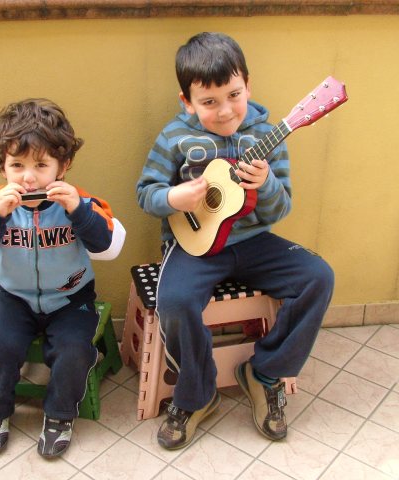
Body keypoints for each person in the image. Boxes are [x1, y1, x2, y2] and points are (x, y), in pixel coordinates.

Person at [136, 32, 334, 450]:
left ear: (248, 86)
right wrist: (175, 196)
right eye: (209, 102)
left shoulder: (268, 135)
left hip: (253, 242)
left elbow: (280, 211)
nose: (225, 111)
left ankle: (264, 372)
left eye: (234, 95)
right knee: (174, 301)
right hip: (195, 247)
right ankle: (196, 392)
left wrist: (267, 187)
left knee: (317, 276)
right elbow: (145, 194)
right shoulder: (174, 137)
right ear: (186, 101)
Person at [0, 98, 126, 458]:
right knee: (1, 349)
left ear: (63, 166)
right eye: (17, 165)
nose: (28, 177)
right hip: (16, 300)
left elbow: (109, 247)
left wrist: (78, 211)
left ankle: (60, 415)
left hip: (71, 299)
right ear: (2, 166)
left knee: (74, 350)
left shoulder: (81, 202)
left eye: (41, 165)